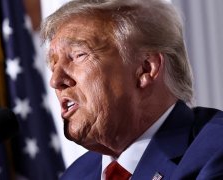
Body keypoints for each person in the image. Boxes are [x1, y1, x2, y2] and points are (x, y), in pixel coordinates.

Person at [40, 0, 223, 179]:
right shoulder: (76, 174)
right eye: (53, 65)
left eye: (78, 55)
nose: (55, 81)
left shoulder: (215, 152)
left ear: (145, 69)